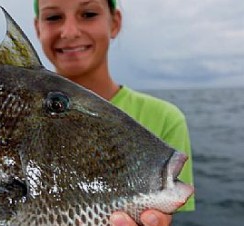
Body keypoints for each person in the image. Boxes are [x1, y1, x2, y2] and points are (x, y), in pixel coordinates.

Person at [33, 0, 195, 225]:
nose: (69, 32)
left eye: (88, 14)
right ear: (37, 27)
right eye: (53, 17)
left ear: (115, 23)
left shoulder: (165, 118)